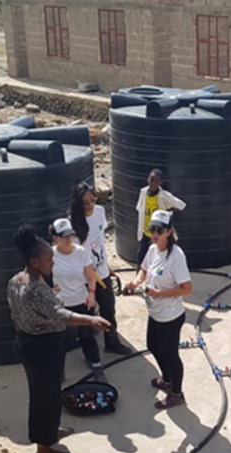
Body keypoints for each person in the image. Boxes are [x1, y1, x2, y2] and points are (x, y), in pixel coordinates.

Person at [7, 224, 110, 453]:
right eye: (48, 259)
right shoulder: (36, 289)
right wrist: (92, 319)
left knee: (51, 393)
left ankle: (51, 431)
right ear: (34, 262)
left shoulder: (16, 281)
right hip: (41, 350)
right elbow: (62, 315)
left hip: (29, 344)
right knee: (43, 398)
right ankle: (44, 447)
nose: (52, 263)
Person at [125, 210, 192, 409]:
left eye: (159, 230)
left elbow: (187, 289)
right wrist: (135, 283)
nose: (154, 234)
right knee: (153, 345)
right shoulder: (153, 249)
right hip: (155, 312)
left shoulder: (176, 257)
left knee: (171, 354)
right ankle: (167, 379)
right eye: (151, 229)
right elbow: (144, 270)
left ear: (169, 232)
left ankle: (177, 393)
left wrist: (158, 293)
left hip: (170, 316)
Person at [70, 182, 132, 355]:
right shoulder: (73, 225)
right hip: (84, 278)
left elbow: (100, 241)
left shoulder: (99, 212)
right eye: (85, 202)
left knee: (108, 309)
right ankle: (91, 355)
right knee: (88, 317)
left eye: (92, 200)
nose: (90, 205)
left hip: (101, 272)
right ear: (78, 203)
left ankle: (112, 342)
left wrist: (106, 265)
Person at [49, 218, 106, 382]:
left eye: (70, 235)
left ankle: (96, 365)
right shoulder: (50, 254)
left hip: (81, 301)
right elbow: (40, 275)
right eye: (64, 236)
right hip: (61, 304)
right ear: (56, 238)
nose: (69, 239)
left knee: (87, 335)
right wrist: (49, 290)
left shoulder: (81, 252)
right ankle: (58, 372)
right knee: (60, 339)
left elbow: (90, 276)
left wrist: (91, 293)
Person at [135, 169, 186, 272]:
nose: (153, 183)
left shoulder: (164, 195)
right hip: (147, 232)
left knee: (160, 259)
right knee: (141, 258)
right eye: (151, 180)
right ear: (148, 179)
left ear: (160, 183)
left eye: (156, 181)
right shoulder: (143, 192)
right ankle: (138, 282)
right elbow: (139, 208)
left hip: (159, 233)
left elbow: (181, 205)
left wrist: (168, 212)